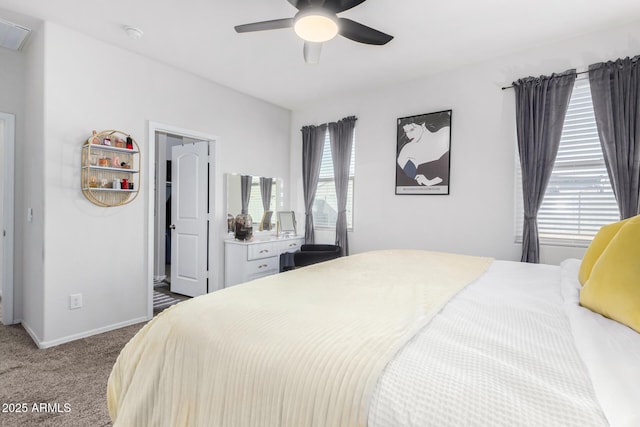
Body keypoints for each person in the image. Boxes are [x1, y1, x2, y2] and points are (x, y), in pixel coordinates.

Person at [397, 116, 450, 186]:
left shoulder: (444, 133)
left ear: (423, 125)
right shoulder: (407, 150)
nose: (409, 135)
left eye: (412, 129)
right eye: (406, 132)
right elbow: (413, 177)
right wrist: (421, 179)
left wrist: (432, 181)